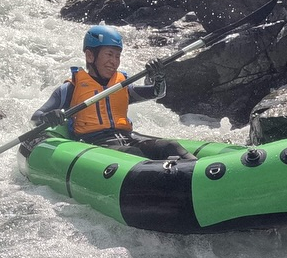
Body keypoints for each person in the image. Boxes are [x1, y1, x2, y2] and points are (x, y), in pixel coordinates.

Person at [31, 26, 187, 159]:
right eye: (109, 54)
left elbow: (156, 93)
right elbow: (36, 117)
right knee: (132, 153)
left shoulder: (121, 85)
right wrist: (48, 117)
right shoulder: (71, 88)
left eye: (117, 56)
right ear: (90, 55)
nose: (114, 61)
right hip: (94, 143)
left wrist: (158, 78)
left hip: (126, 137)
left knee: (170, 146)